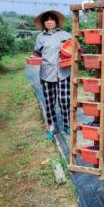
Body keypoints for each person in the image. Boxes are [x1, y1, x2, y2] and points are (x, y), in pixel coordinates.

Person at [33, 10, 72, 140]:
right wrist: (34, 58)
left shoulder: (65, 34)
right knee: (49, 102)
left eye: (52, 19)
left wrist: (76, 51)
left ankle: (67, 125)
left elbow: (75, 47)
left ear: (56, 21)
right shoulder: (40, 37)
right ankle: (51, 127)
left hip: (63, 72)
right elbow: (37, 53)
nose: (49, 22)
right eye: (47, 20)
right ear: (44, 23)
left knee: (64, 100)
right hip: (46, 73)